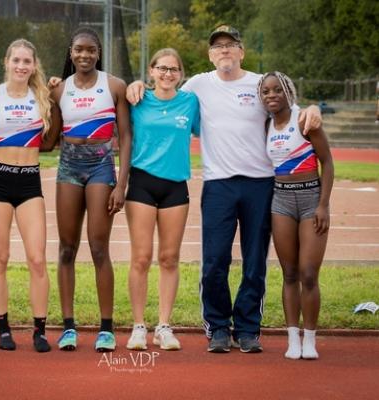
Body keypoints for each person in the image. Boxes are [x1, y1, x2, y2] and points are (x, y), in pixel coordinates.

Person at [127, 25, 322, 353]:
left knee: (255, 260)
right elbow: (165, 91)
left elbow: (290, 110)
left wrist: (312, 108)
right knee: (215, 259)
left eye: (231, 45)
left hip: (260, 184)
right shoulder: (198, 85)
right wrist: (136, 85)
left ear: (242, 52)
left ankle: (247, 328)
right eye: (218, 47)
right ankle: (217, 327)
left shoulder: (260, 83)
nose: (225, 51)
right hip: (218, 184)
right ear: (210, 55)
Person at [42, 27, 131, 352]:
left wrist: (121, 183)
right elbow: (49, 142)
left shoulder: (114, 86)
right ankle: (68, 327)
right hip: (68, 168)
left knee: (98, 247)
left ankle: (106, 328)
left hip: (100, 167)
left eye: (90, 50)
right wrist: (6, 141)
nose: (84, 55)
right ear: (70, 52)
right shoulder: (58, 91)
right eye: (79, 49)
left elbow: (126, 138)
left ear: (98, 52)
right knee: (66, 249)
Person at [124, 48, 200, 351]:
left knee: (169, 258)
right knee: (141, 257)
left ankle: (164, 327)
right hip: (142, 183)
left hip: (176, 187)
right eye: (162, 68)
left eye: (174, 69)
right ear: (151, 71)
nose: (168, 74)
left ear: (181, 75)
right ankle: (139, 326)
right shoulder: (137, 100)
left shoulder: (190, 102)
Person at [0, 39, 52, 352]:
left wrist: (59, 82)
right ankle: (3, 329)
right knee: (0, 259)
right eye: (17, 60)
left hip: (29, 182)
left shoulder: (44, 96)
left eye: (27, 61)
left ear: (34, 65)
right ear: (6, 62)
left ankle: (39, 330)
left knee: (37, 259)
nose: (22, 66)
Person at [258, 72, 334, 359]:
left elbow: (326, 162)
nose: (272, 95)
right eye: (266, 91)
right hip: (281, 200)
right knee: (289, 274)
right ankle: (293, 338)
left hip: (310, 198)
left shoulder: (304, 120)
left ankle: (310, 339)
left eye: (278, 89)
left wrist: (323, 204)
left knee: (308, 273)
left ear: (288, 91)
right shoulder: (265, 125)